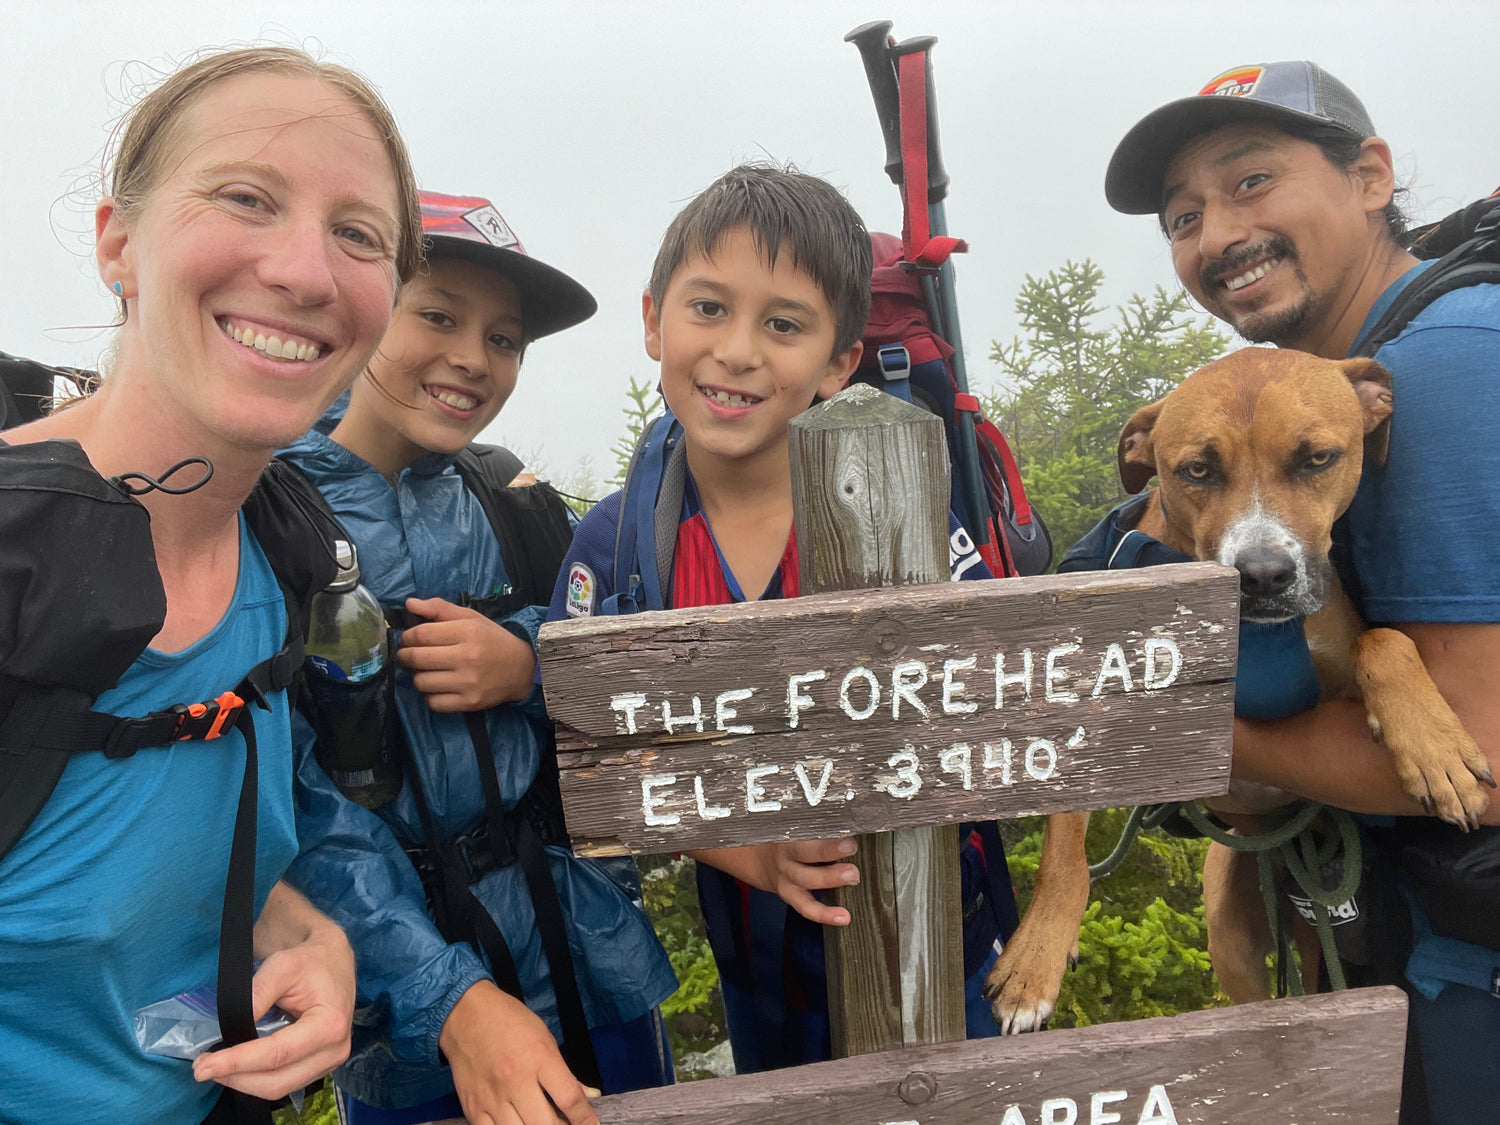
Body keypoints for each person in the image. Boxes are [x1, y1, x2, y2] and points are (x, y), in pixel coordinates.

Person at [0, 46, 422, 1125]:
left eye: (358, 235)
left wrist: (307, 936)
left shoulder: (290, 556)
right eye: (246, 197)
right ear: (118, 243)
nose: (307, 271)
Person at [546, 162, 1019, 1074]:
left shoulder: (910, 513)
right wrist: (750, 847)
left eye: (785, 324)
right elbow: (594, 754)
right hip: (760, 974)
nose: (738, 351)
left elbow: (1002, 696)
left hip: (941, 953)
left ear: (839, 361)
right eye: (709, 308)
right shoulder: (616, 542)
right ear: (653, 320)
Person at [1105, 61, 1500, 1123]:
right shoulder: (1328, 388)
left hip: (1468, 994)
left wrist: (1158, 737)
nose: (1216, 234)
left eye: (1252, 182)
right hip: (1407, 959)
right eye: (1182, 217)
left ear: (1370, 176)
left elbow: (1479, 760)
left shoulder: (1446, 369)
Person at [281, 190, 677, 1125]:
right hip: (410, 1026)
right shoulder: (272, 523)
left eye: (504, 338)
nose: (472, 358)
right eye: (437, 315)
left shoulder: (510, 500)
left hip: (591, 957)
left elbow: (626, 651)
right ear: (368, 303)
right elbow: (285, 809)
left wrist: (530, 662)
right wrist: (441, 997)